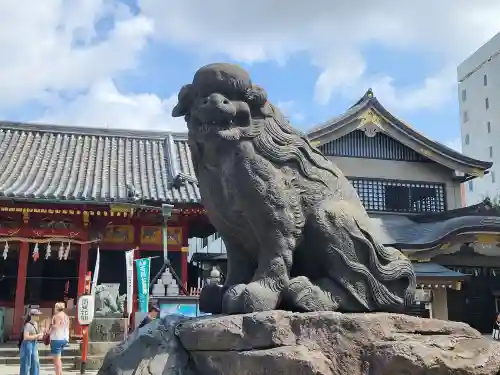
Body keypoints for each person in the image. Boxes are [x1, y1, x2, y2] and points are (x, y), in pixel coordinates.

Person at [19, 308, 43, 375]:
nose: (38, 316)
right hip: (27, 345)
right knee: (26, 363)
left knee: (35, 362)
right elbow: (26, 337)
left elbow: (37, 336)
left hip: (34, 344)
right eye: (37, 315)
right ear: (33, 316)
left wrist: (41, 334)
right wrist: (38, 335)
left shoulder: (36, 324)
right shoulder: (28, 325)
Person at [49, 302, 70, 375]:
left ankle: (58, 373)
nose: (54, 308)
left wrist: (49, 330)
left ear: (57, 308)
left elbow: (56, 326)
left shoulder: (57, 316)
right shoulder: (66, 316)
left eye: (55, 307)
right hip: (65, 338)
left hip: (57, 338)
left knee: (56, 359)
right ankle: (60, 373)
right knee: (58, 357)